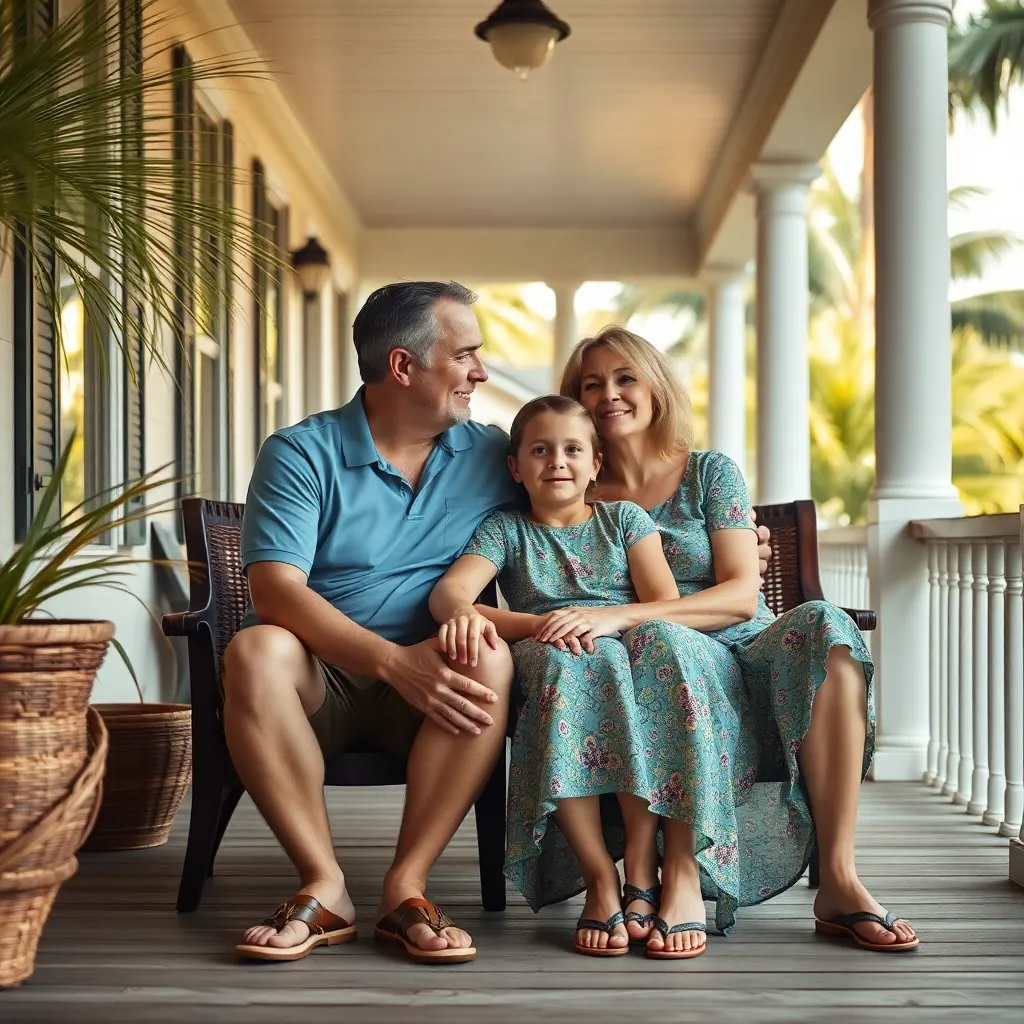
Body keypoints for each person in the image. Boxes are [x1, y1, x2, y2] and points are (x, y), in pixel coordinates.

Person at [525, 325, 914, 957]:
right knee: (670, 648)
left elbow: (740, 594)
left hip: (744, 643)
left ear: (657, 389)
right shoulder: (574, 486)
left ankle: (840, 880)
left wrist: (624, 615)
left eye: (626, 379)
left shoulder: (709, 473)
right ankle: (676, 872)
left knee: (830, 634)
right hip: (645, 663)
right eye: (591, 385)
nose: (609, 395)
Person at [226, 281, 521, 964]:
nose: (479, 372)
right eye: (466, 356)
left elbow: (589, 505)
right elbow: (275, 590)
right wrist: (395, 663)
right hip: (315, 679)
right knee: (255, 650)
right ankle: (323, 884)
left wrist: (720, 544)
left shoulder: (490, 454)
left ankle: (405, 887)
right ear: (403, 366)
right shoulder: (301, 452)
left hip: (433, 685)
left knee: (489, 657)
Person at [430, 395, 702, 957]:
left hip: (622, 649)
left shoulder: (625, 520)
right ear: (516, 468)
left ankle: (642, 865)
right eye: (540, 450)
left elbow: (664, 603)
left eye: (573, 449)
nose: (557, 461)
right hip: (545, 654)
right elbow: (450, 595)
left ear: (595, 463)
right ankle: (600, 875)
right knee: (575, 660)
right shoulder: (505, 529)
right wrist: (537, 624)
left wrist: (603, 623)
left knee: (622, 659)